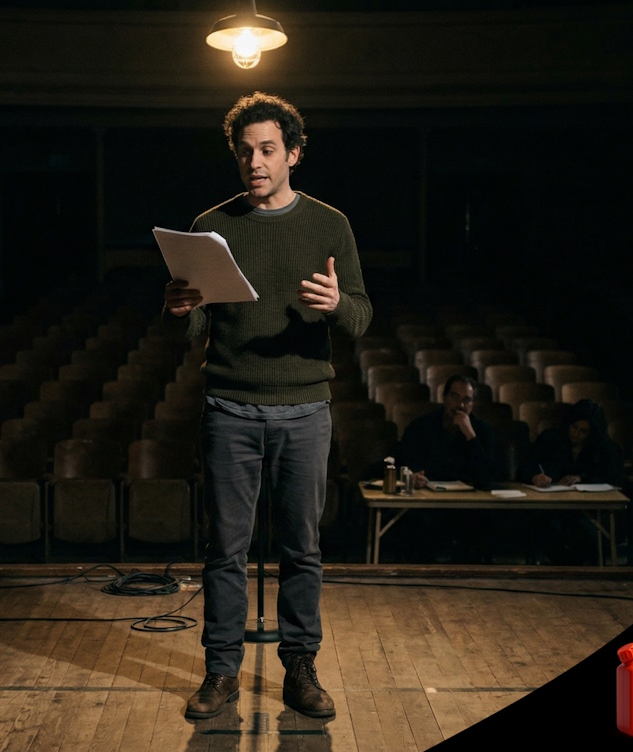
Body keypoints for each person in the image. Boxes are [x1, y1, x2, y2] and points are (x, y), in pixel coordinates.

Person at [163, 92, 372, 721]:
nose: (255, 162)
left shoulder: (330, 225)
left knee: (301, 550)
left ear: (294, 155)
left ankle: (300, 669)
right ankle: (221, 671)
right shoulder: (212, 226)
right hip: (230, 407)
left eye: (268, 150)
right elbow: (196, 328)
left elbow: (361, 316)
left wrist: (337, 305)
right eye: (245, 152)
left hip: (305, 410)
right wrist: (181, 309)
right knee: (225, 550)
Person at [394, 374, 504, 490]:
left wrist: (470, 435)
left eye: (467, 400)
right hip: (427, 493)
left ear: (472, 404)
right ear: (444, 398)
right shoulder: (421, 426)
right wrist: (412, 477)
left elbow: (488, 476)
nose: (460, 405)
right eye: (455, 397)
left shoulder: (483, 430)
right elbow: (402, 463)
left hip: (470, 496)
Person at [519, 398, 625, 488]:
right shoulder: (550, 438)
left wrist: (581, 477)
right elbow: (524, 466)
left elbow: (613, 475)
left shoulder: (602, 447)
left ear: (592, 433)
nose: (576, 434)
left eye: (583, 431)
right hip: (552, 498)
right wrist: (534, 477)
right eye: (574, 427)